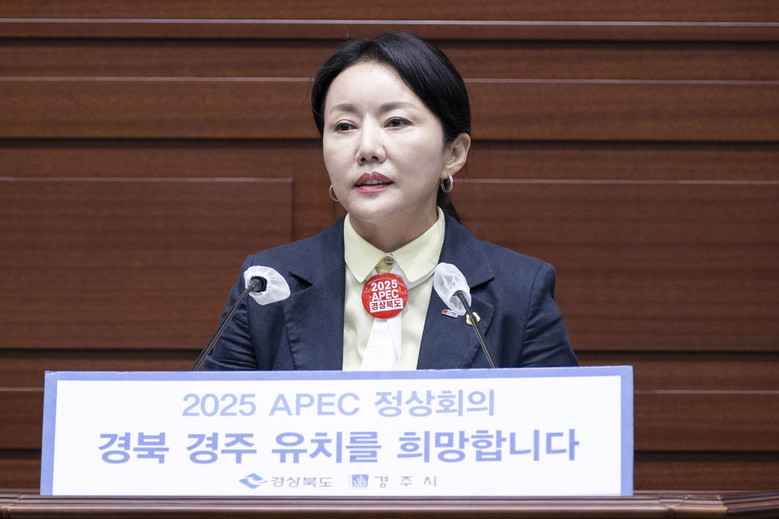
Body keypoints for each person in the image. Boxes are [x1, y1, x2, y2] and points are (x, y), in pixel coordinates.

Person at [204, 32, 577, 371]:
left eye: (396, 122)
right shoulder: (265, 286)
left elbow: (557, 422)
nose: (367, 148)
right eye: (344, 126)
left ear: (453, 153)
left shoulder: (520, 293)